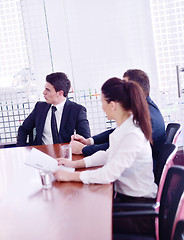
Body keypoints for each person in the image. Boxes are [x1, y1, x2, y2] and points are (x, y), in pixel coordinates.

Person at [54, 77, 157, 234]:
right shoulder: (125, 129)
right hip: (127, 201)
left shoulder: (132, 134)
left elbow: (109, 174)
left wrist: (70, 177)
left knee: (82, 222)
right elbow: (107, 155)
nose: (102, 107)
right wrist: (74, 165)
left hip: (139, 211)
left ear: (113, 105)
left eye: (103, 102)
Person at [71, 69, 165, 167]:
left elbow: (118, 147)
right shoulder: (144, 108)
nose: (121, 91)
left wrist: (84, 149)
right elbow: (118, 134)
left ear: (136, 89)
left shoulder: (147, 116)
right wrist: (89, 141)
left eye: (125, 87)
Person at [16, 72, 90, 146]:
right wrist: (21, 149)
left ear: (60, 93)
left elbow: (85, 139)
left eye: (48, 90)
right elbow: (23, 129)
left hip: (66, 154)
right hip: (41, 153)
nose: (44, 92)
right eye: (44, 89)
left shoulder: (77, 110)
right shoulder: (40, 107)